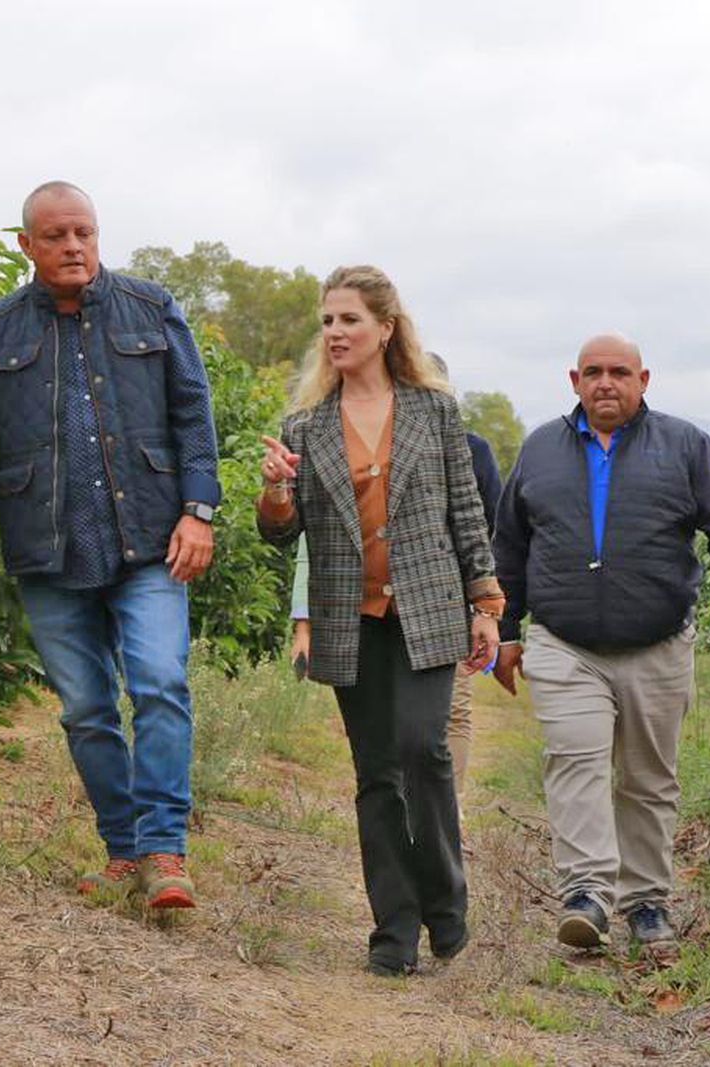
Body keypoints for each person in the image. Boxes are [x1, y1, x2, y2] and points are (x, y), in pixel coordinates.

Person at [0, 181, 219, 908]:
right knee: (87, 708)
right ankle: (123, 850)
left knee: (159, 681)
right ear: (26, 245)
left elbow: (193, 413)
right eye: (55, 236)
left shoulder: (152, 308)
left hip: (152, 538)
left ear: (98, 235)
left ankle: (164, 848)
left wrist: (200, 510)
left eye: (83, 233)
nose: (73, 247)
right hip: (47, 549)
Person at [257, 265, 501, 977]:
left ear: (386, 329)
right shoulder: (304, 425)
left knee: (424, 748)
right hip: (349, 614)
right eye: (327, 321)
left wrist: (485, 604)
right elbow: (281, 532)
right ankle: (393, 929)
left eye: (349, 320)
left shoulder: (434, 410)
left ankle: (445, 904)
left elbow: (467, 514)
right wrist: (276, 490)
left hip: (426, 606)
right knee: (376, 773)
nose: (334, 332)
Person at [492, 333, 710, 960]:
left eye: (619, 372)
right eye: (593, 372)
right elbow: (508, 547)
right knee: (575, 763)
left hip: (657, 644)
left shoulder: (684, 446)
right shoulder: (540, 450)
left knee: (647, 779)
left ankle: (646, 902)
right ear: (574, 380)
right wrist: (504, 633)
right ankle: (586, 896)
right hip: (565, 643)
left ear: (644, 379)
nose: (605, 382)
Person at [288, 357, 503, 801]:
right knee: (382, 749)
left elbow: (478, 522)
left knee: (445, 721)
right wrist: (303, 620)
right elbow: (311, 538)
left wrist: (485, 604)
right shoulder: (323, 434)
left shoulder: (470, 447)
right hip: (362, 607)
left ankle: (446, 813)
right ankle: (402, 826)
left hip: (441, 604)